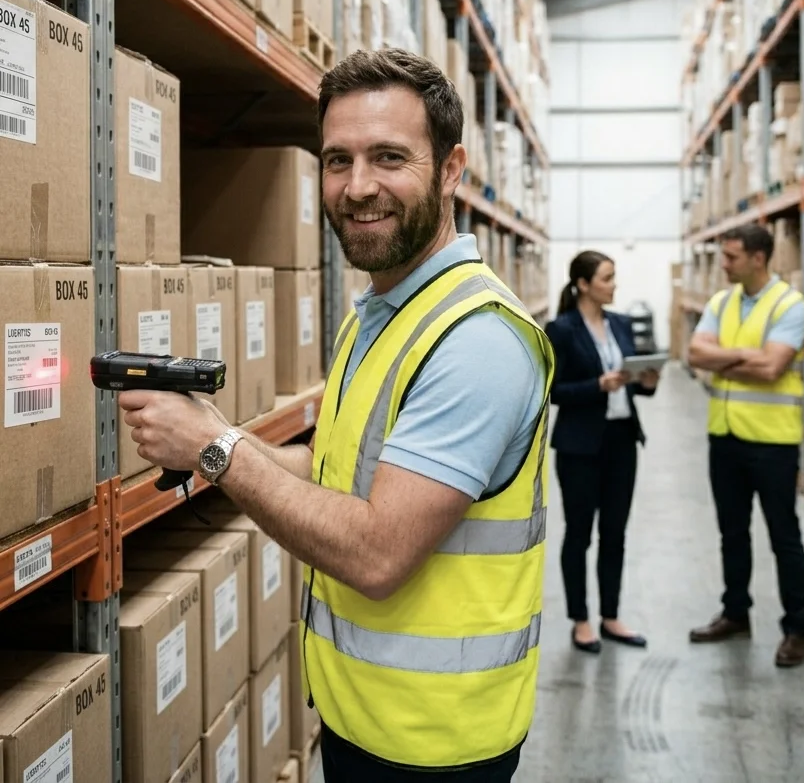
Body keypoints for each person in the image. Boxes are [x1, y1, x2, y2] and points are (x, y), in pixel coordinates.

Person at [116, 48, 555, 781]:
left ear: (451, 170)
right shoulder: (379, 315)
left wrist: (221, 447)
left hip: (434, 745)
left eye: (389, 157)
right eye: (338, 159)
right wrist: (205, 442)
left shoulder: (476, 340)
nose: (358, 187)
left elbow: (377, 552)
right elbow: (339, 472)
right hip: (360, 720)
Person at [687, 224, 804, 668]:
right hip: (724, 438)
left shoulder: (791, 305)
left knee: (785, 537)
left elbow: (773, 368)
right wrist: (747, 355)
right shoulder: (721, 302)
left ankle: (796, 629)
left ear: (758, 258)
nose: (723, 264)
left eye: (731, 257)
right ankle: (736, 613)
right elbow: (696, 354)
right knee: (732, 533)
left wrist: (725, 357)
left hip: (772, 443)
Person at [544, 251, 659, 654]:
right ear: (583, 284)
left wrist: (647, 379)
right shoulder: (560, 329)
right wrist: (597, 386)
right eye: (607, 278)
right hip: (579, 445)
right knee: (579, 534)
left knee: (615, 532)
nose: (614, 285)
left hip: (622, 440)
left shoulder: (621, 324)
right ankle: (580, 620)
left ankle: (611, 616)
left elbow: (640, 386)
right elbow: (553, 391)